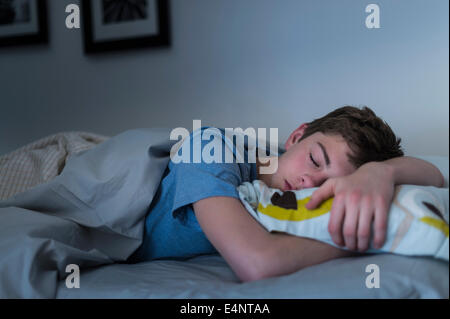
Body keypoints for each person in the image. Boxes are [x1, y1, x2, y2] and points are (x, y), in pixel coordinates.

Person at [130, 106, 444, 282]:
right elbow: (257, 264)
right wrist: (363, 238)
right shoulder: (212, 150)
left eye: (326, 186)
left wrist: (380, 173)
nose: (309, 182)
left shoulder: (280, 193)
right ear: (295, 137)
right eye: (315, 160)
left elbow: (437, 176)